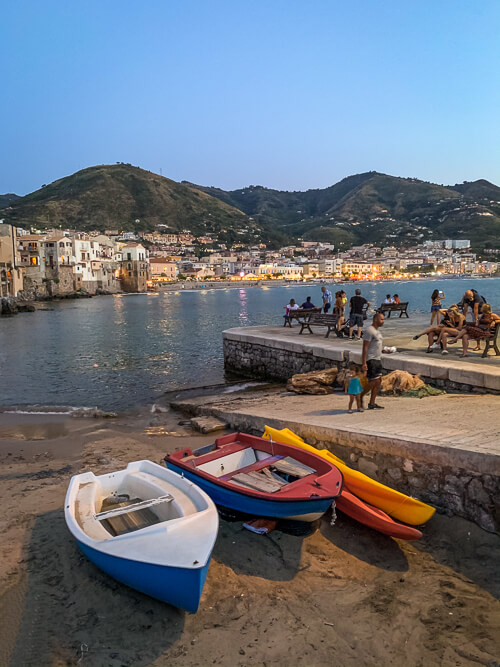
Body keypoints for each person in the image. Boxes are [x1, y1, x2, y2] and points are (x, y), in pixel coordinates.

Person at [361, 312, 385, 410]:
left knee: (378, 381)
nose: (383, 321)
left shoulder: (377, 332)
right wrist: (364, 363)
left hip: (378, 358)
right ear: (375, 319)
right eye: (381, 319)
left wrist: (385, 350)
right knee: (373, 380)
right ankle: (360, 395)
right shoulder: (369, 331)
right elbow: (365, 347)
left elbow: (377, 346)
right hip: (371, 359)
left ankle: (372, 403)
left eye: (383, 319)